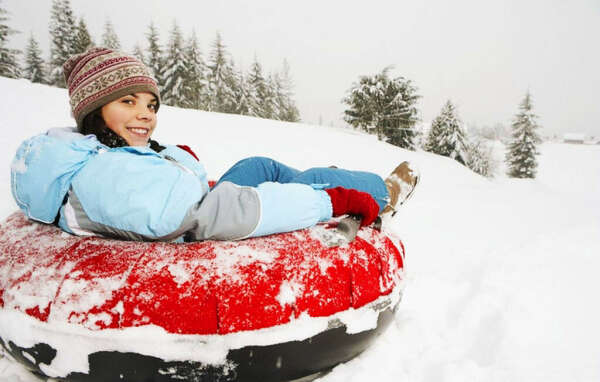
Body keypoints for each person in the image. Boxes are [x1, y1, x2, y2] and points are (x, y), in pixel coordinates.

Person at [10, 47, 418, 242]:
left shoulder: (84, 153)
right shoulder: (106, 175)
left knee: (259, 164)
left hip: (195, 196)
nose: (146, 115)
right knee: (315, 187)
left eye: (151, 104)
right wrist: (332, 202)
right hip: (206, 212)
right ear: (94, 110)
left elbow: (141, 181)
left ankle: (322, 178)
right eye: (128, 101)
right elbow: (210, 216)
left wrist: (172, 159)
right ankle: (376, 192)